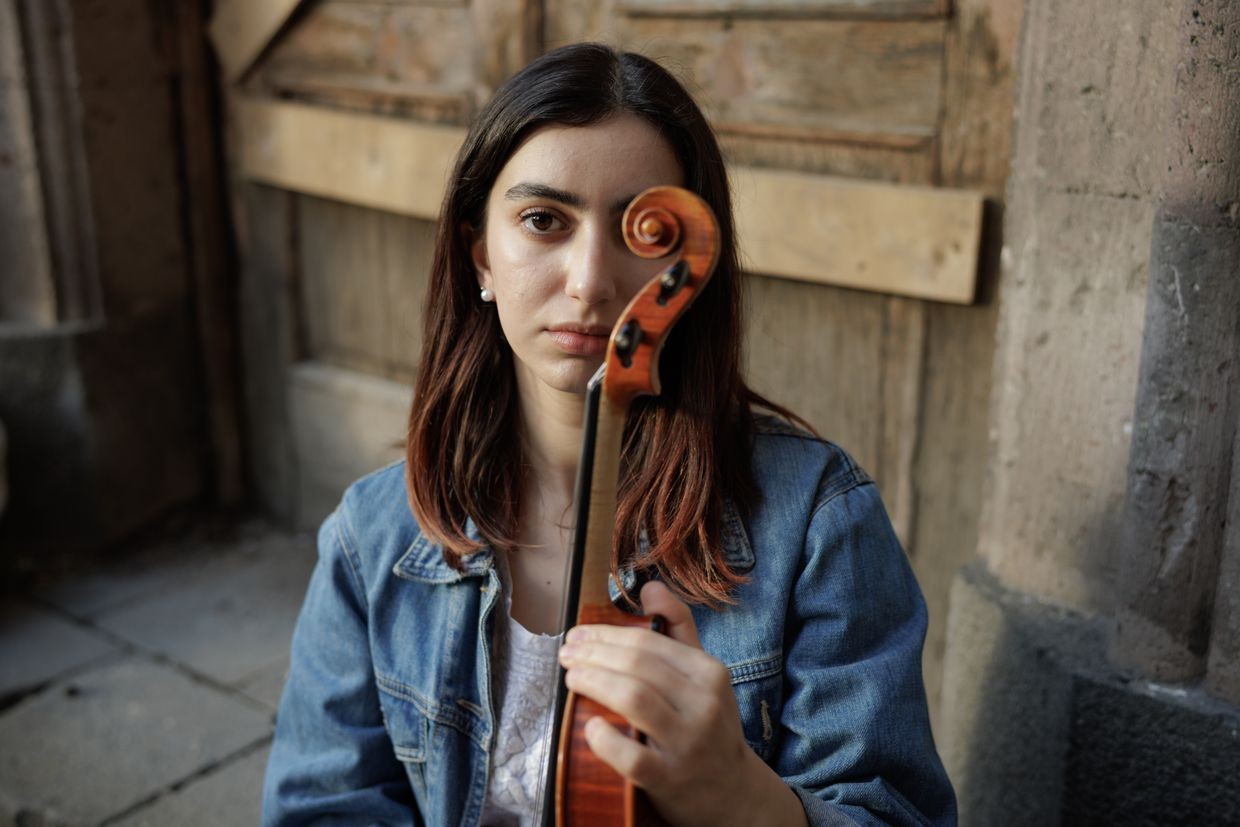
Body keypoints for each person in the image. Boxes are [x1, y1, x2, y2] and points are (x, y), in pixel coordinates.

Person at [262, 42, 956, 827]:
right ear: (481, 256)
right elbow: (322, 809)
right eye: (543, 220)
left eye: (643, 231)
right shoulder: (372, 535)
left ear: (692, 267)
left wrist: (738, 795)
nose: (591, 281)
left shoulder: (818, 522)